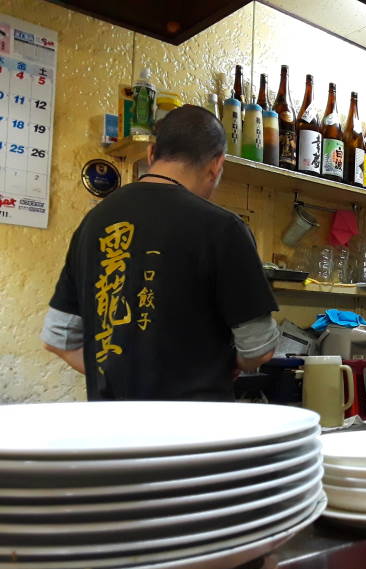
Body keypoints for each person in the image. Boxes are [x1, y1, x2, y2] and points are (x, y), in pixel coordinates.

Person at [41, 105, 280, 400]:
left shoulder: (94, 222)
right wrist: (225, 366)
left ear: (152, 153)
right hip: (196, 434)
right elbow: (259, 349)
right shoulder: (224, 228)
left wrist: (118, 377)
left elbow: (58, 338)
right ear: (217, 165)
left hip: (112, 434)